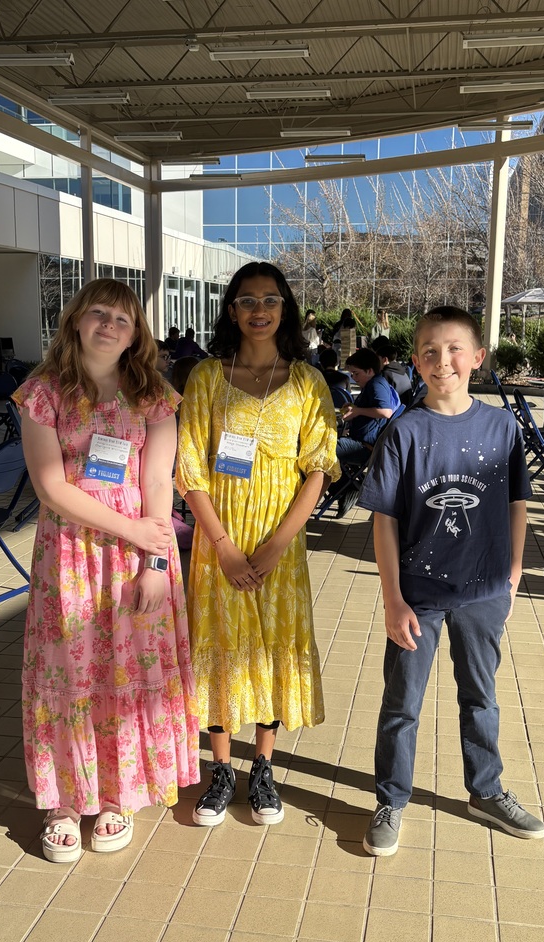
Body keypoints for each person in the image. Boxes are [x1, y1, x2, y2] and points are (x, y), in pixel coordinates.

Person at [15, 278, 200, 863]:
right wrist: (134, 533)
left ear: (136, 332)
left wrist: (153, 562)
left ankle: (117, 792)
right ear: (74, 321)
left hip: (136, 558)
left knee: (125, 673)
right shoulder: (43, 394)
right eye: (97, 313)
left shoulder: (155, 397)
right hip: (70, 555)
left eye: (122, 318)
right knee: (66, 672)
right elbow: (50, 488)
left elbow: (156, 485)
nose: (109, 325)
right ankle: (65, 799)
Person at [357, 305, 544, 857]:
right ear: (417, 361)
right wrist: (392, 598)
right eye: (432, 351)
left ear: (478, 357)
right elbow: (384, 520)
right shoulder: (404, 432)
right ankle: (391, 798)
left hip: (485, 593)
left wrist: (512, 575)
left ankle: (485, 789)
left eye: (455, 349)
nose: (445, 361)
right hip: (417, 596)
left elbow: (517, 503)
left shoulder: (501, 426)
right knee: (402, 704)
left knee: (481, 698)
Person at [176, 261, 339, 827]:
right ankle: (221, 767)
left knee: (271, 645)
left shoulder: (308, 382)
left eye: (271, 299)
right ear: (231, 310)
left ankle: (262, 766)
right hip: (218, 541)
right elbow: (189, 466)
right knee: (219, 642)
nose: (260, 309)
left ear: (286, 308)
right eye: (248, 300)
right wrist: (220, 544)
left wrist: (274, 549)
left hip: (279, 543)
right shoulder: (204, 378)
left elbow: (317, 469)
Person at [330, 347, 399, 517]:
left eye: (356, 373)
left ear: (369, 370)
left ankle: (346, 489)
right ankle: (345, 488)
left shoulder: (376, 384)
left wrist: (358, 411)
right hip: (362, 442)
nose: (353, 378)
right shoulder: (375, 383)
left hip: (364, 447)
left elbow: (385, 412)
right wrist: (355, 408)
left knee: (320, 450)